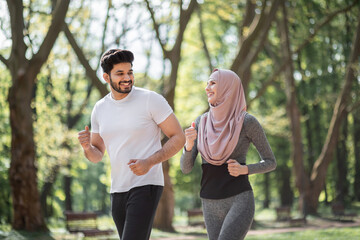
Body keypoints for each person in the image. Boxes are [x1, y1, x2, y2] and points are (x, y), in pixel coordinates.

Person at [78, 49, 185, 240]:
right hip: (117, 189)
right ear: (106, 77)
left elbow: (178, 137)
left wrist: (150, 162)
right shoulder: (100, 108)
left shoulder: (150, 100)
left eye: (130, 72)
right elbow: (97, 155)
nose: (127, 78)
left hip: (147, 184)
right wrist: (87, 148)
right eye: (120, 74)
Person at [180, 69, 276, 240]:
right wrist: (188, 146)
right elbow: (186, 168)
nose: (207, 88)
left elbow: (270, 162)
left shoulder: (247, 121)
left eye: (213, 83)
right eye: (207, 83)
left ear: (227, 87)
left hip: (239, 199)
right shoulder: (201, 122)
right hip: (209, 201)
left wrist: (244, 169)